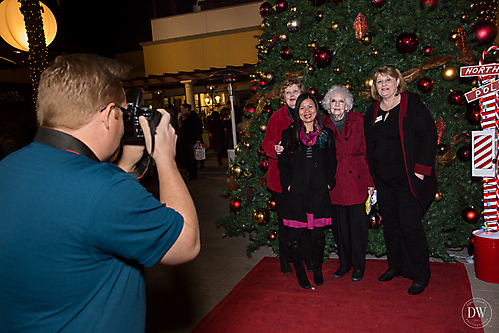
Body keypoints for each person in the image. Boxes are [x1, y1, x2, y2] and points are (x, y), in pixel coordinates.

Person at [0, 53, 200, 332]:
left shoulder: (8, 167)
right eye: (122, 114)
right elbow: (185, 243)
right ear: (108, 115)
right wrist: (165, 158)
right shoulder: (105, 189)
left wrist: (126, 164)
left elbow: (87, 216)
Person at [364, 65, 437, 295]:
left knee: (410, 227)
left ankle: (421, 274)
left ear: (398, 82)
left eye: (388, 80)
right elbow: (369, 146)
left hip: (408, 180)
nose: (383, 85)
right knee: (392, 227)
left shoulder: (411, 104)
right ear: (375, 87)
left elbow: (429, 136)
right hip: (384, 182)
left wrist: (420, 171)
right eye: (379, 82)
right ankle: (395, 266)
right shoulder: (373, 111)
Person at [278, 93, 337, 289]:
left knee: (318, 235)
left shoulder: (326, 134)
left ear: (316, 110)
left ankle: (317, 269)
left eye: (310, 107)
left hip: (319, 193)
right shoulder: (289, 134)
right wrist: (288, 184)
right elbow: (283, 163)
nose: (306, 112)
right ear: (297, 112)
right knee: (294, 236)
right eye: (302, 108)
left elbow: (331, 162)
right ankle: (301, 273)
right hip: (296, 194)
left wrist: (329, 182)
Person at [322, 85, 375, 282]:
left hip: (357, 180)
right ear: (328, 104)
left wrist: (371, 182)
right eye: (333, 101)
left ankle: (359, 267)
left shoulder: (360, 121)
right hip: (335, 182)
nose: (337, 105)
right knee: (340, 228)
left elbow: (368, 153)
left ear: (347, 105)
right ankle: (344, 264)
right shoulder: (323, 123)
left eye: (341, 101)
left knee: (358, 228)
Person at [262, 78, 313, 275]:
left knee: (307, 220)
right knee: (285, 223)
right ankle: (285, 259)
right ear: (283, 97)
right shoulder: (276, 117)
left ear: (302, 93)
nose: (292, 96)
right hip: (280, 181)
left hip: (304, 180)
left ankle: (307, 258)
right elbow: (267, 144)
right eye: (288, 93)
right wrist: (274, 149)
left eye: (295, 91)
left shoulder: (309, 114)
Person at [178, 102, 203, 180]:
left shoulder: (192, 117)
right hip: (184, 140)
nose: (181, 110)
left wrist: (198, 139)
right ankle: (189, 171)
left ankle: (193, 173)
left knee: (191, 157)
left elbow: (197, 128)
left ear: (187, 109)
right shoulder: (182, 118)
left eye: (182, 108)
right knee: (186, 156)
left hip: (191, 139)